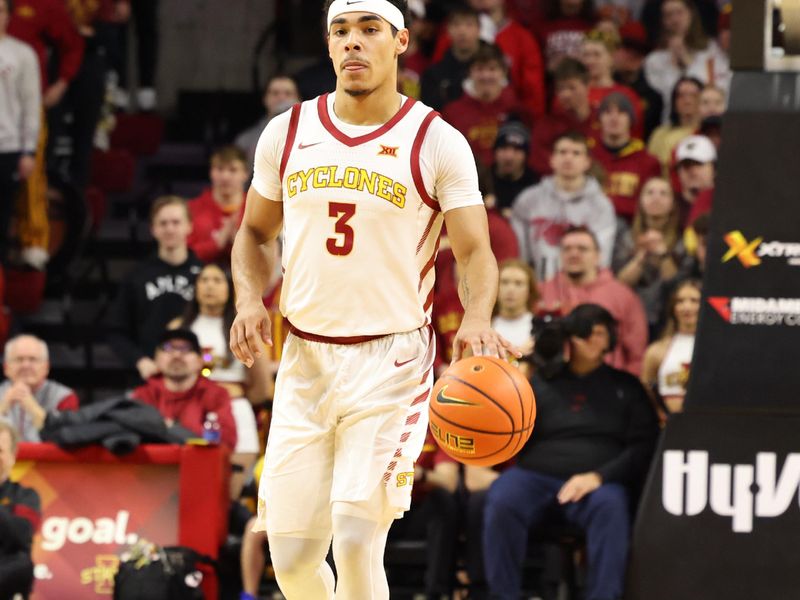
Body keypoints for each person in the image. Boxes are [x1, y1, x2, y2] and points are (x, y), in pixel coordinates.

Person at [229, 0, 519, 597]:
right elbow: (254, 233)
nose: (353, 43)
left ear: (400, 42)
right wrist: (247, 300)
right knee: (292, 562)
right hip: (304, 361)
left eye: (369, 30)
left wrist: (479, 317)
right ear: (329, 44)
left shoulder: (437, 141)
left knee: (357, 540)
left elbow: (474, 251)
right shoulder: (286, 132)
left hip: (390, 362)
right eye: (341, 31)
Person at [483, 303, 659, 600]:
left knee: (612, 506)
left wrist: (600, 476)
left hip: (597, 482)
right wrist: (525, 360)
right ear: (570, 338)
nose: (592, 340)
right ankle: (503, 596)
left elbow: (644, 445)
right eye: (583, 333)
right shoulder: (538, 383)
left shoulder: (627, 387)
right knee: (501, 498)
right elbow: (508, 428)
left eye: (600, 333)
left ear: (611, 339)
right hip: (535, 476)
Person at [170, 263, 273, 497]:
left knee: (229, 490)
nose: (209, 286)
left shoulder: (245, 327)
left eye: (217, 281)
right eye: (204, 280)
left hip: (235, 409)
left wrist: (232, 395)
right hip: (188, 409)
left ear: (230, 288)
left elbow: (262, 386)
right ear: (195, 288)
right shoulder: (178, 328)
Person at [106, 196, 203, 381]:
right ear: (153, 229)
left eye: (176, 222)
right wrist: (140, 361)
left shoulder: (205, 275)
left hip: (198, 378)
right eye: (163, 223)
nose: (170, 229)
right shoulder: (136, 276)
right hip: (151, 378)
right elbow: (116, 331)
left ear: (189, 226)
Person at [537, 226, 648, 375]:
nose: (574, 254)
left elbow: (637, 354)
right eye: (567, 249)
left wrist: (626, 388)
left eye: (582, 249)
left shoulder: (622, 294)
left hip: (608, 385)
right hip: (553, 383)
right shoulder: (542, 292)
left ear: (598, 256)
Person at [511, 132, 617, 281]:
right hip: (536, 287)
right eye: (562, 152)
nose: (568, 158)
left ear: (587, 162)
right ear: (552, 159)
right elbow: (518, 254)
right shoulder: (529, 200)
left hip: (583, 288)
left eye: (576, 153)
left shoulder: (601, 205)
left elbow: (601, 258)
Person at [132, 328, 237, 450]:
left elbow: (226, 441)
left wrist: (169, 427)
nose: (177, 355)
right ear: (156, 358)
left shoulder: (216, 394)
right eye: (168, 348)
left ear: (200, 360)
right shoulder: (144, 394)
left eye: (186, 349)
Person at [615, 177, 684, 336]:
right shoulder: (626, 238)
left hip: (667, 317)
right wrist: (641, 255)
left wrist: (663, 253)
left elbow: (674, 285)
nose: (656, 197)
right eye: (650, 192)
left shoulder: (681, 242)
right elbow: (621, 282)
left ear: (673, 203)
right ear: (640, 201)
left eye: (663, 193)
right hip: (629, 315)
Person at [643, 0, 729, 123]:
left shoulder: (711, 50)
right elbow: (667, 98)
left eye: (679, 12)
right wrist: (673, 66)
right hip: (672, 125)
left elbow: (718, 90)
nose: (675, 20)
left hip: (707, 122)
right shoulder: (654, 60)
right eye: (669, 15)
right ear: (663, 21)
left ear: (691, 14)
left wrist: (687, 61)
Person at [0, 0, 40, 263]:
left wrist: (28, 150)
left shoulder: (22, 54)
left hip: (8, 147)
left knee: (2, 219)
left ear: (8, 15)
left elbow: (31, 105)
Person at [442, 43, 522, 167]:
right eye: (480, 69)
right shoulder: (452, 113)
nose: (486, 76)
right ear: (470, 72)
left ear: (503, 72)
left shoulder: (517, 108)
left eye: (492, 69)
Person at [590, 92, 661, 220]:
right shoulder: (587, 158)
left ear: (631, 119)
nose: (614, 118)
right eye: (607, 112)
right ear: (599, 119)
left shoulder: (648, 162)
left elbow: (650, 205)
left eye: (621, 112)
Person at [0, 334, 79, 442]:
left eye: (33, 359)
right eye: (19, 359)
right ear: (6, 368)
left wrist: (33, 409)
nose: (26, 365)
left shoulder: (65, 397)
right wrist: (3, 407)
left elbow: (66, 440)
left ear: (46, 367)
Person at [641, 278, 700, 416]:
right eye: (680, 301)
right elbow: (645, 391)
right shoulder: (656, 350)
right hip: (668, 427)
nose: (687, 307)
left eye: (694, 301)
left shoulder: (716, 349)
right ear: (673, 307)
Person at [528, 58, 595, 175]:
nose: (565, 94)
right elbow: (539, 164)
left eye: (571, 87)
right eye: (560, 89)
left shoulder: (603, 119)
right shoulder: (546, 126)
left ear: (588, 86)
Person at [186, 146, 249, 264]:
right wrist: (216, 244)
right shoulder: (191, 209)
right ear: (211, 172)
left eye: (233, 170)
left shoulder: (257, 208)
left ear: (245, 174)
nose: (225, 177)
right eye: (219, 169)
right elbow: (183, 254)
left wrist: (238, 243)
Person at [0, 421, 41, 599]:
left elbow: (21, 535)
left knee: (21, 564)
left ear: (12, 456)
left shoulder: (26, 496)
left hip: (5, 574)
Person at [420, 6, 484, 112]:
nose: (462, 31)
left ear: (479, 29)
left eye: (469, 25)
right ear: (448, 30)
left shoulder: (493, 69)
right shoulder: (433, 75)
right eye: (456, 25)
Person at [235, 75, 301, 168]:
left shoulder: (312, 136)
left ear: (299, 100)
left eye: (288, 93)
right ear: (265, 99)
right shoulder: (246, 140)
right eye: (275, 93)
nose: (281, 98)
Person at [613, 20, 664, 139]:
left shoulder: (654, 98)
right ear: (614, 51)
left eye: (639, 50)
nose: (633, 55)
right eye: (627, 48)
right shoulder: (604, 86)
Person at [647, 76, 702, 172]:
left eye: (693, 95)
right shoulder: (659, 134)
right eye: (681, 95)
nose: (687, 101)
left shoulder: (707, 132)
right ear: (674, 101)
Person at [491, 258, 539, 357]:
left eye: (518, 283)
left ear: (529, 291)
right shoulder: (484, 328)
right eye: (504, 282)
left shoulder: (539, 329)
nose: (510, 289)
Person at [491, 121, 539, 215]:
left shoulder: (536, 186)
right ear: (495, 152)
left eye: (517, 150)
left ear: (526, 155)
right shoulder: (481, 182)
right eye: (504, 148)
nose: (509, 157)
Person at [675, 133, 715, 225]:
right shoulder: (671, 207)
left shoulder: (725, 204)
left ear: (714, 168)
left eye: (698, 164)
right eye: (686, 166)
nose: (692, 171)